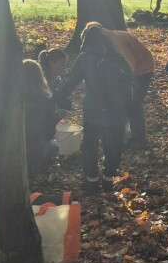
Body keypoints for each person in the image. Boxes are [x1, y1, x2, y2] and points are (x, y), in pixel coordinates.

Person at [53, 23, 131, 192]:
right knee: (113, 145)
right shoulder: (117, 56)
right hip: (117, 109)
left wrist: (58, 96)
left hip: (94, 108)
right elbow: (129, 83)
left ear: (86, 41)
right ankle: (109, 178)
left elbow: (71, 81)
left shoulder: (85, 58)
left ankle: (92, 180)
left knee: (90, 145)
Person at [103, 26, 155, 151]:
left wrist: (125, 84)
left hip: (142, 68)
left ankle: (139, 140)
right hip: (133, 68)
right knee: (127, 103)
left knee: (134, 104)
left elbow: (128, 64)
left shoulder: (115, 42)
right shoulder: (107, 38)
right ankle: (127, 132)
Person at [23, 60, 70, 181]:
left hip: (12, 149)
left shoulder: (13, 97)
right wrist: (60, 115)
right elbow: (49, 133)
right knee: (55, 146)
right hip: (34, 149)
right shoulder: (43, 97)